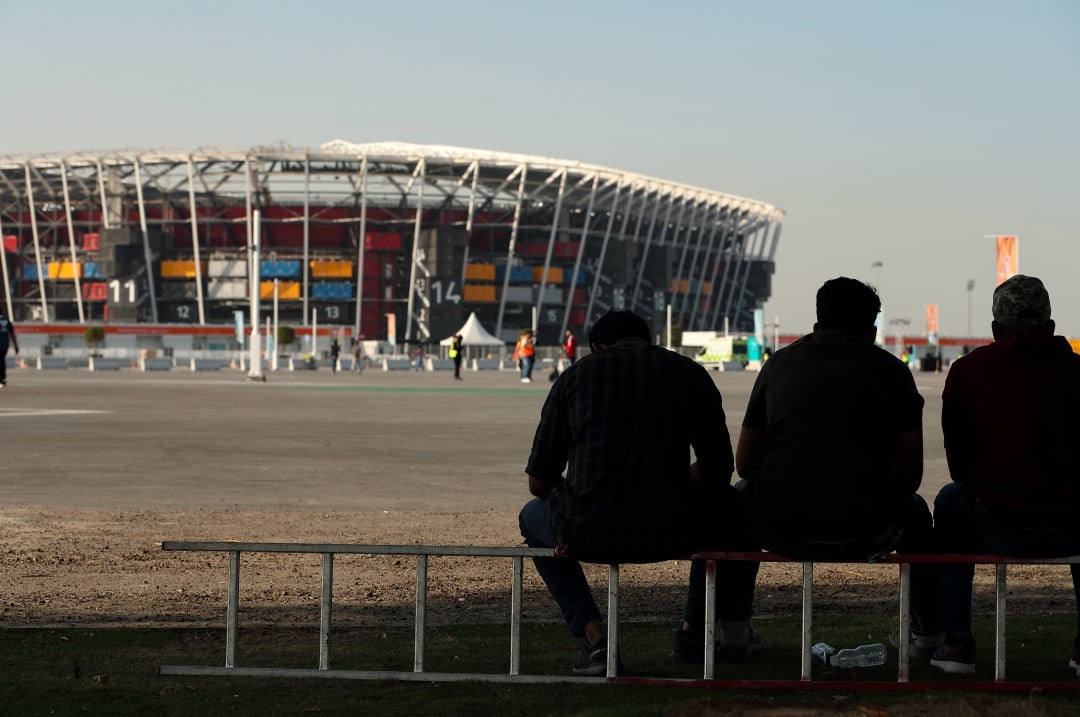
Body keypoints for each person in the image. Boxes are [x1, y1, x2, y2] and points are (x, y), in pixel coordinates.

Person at [519, 310, 757, 675]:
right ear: (649, 340)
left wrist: (581, 489)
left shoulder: (574, 378)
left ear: (597, 346)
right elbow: (719, 469)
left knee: (530, 516)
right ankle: (695, 631)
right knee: (732, 504)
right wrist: (671, 480)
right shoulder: (689, 374)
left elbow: (539, 481)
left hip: (587, 528)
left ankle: (594, 637)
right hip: (674, 529)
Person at [734, 277, 938, 642]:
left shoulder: (779, 365)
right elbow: (910, 477)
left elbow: (745, 463)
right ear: (872, 329)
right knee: (919, 512)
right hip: (871, 529)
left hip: (782, 525)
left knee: (734, 500)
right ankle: (926, 631)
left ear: (816, 323)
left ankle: (728, 632)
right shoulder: (893, 372)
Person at [931, 275, 1080, 676]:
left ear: (996, 329)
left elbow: (959, 468)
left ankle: (956, 643)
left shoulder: (967, 371)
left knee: (948, 502)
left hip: (999, 524)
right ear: (1050, 326)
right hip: (1073, 526)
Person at [0, 310, 19, 387]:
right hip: (5, 345)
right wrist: (16, 346)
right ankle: (3, 378)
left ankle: (1, 379)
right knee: (1, 360)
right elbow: (12, 335)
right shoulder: (7, 322)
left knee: (0, 361)